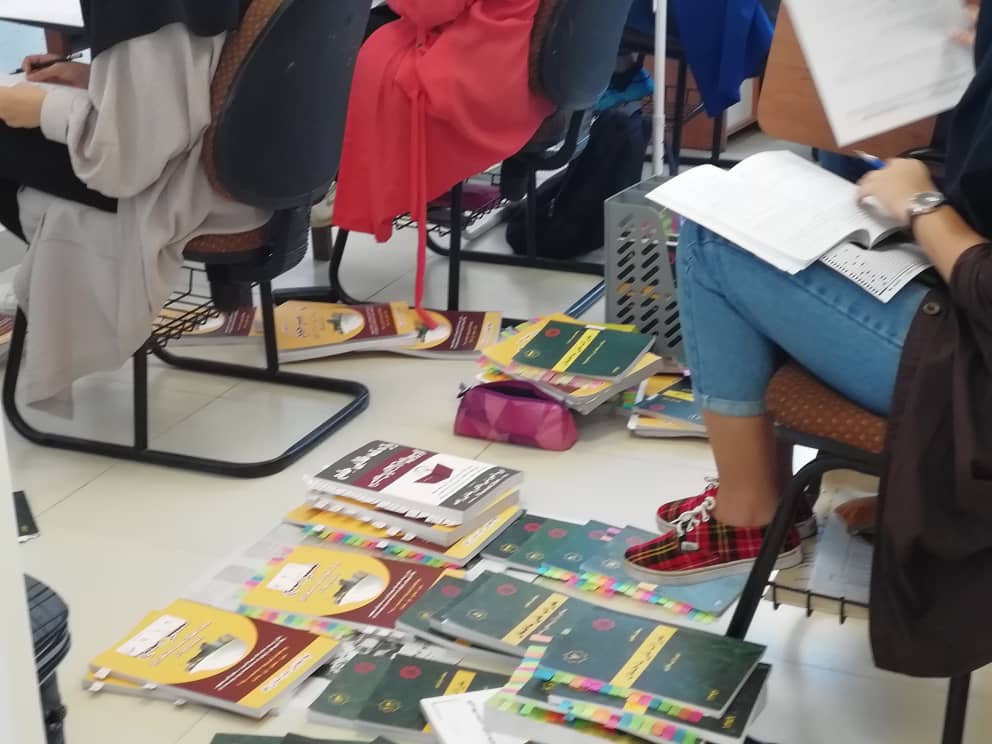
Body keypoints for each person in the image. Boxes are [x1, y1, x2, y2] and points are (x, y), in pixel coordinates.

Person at [624, 2, 992, 677]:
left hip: (974, 381)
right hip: (965, 325)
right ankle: (770, 495)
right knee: (752, 208)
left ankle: (750, 509)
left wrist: (921, 205)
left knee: (712, 234)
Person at [0, 0, 269, 407]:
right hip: (251, 172)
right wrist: (103, 80)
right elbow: (206, 68)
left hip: (179, 188)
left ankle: (55, 284)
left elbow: (125, 165)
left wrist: (42, 108)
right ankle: (49, 284)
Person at [332, 0, 554, 322]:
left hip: (479, 84)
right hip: (528, 81)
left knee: (337, 42)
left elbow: (429, 9)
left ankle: (319, 182)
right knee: (366, 32)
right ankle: (335, 178)